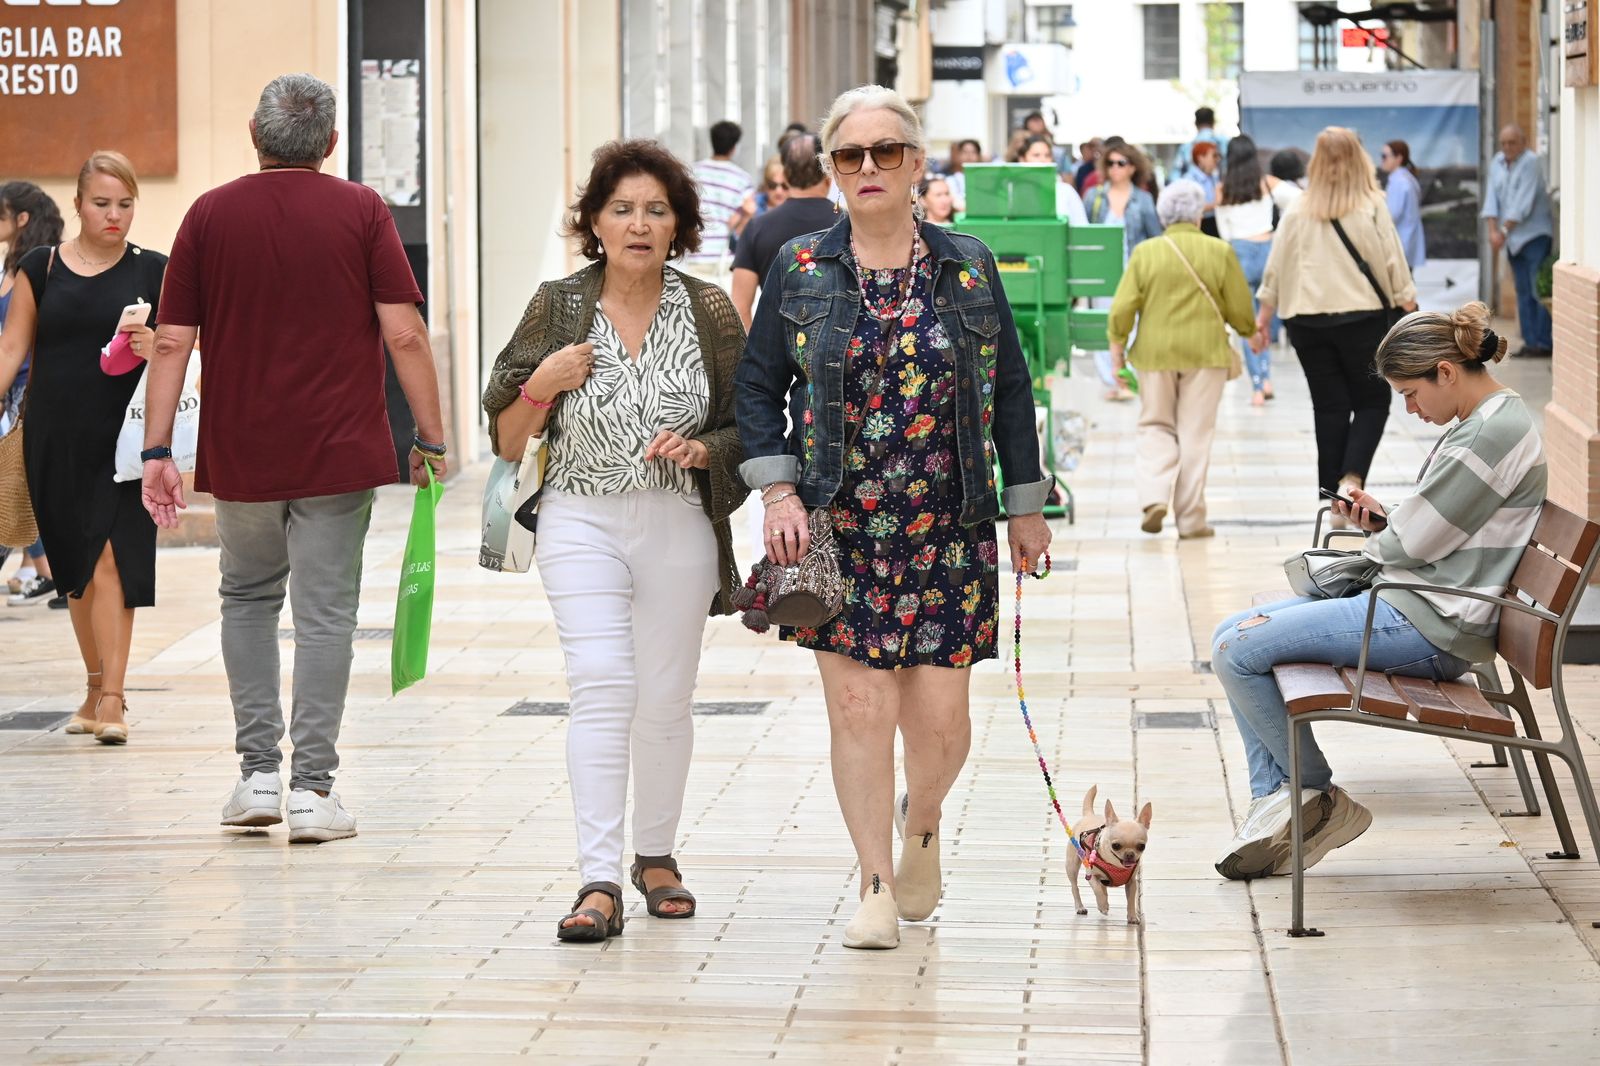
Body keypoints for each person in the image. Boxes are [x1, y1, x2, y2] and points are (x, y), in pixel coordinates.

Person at [736, 84, 1052, 951]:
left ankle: (924, 820)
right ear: (830, 169)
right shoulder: (799, 268)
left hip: (950, 527)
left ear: (918, 163)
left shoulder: (967, 263)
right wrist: (779, 490)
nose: (867, 169)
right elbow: (759, 389)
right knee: (861, 715)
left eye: (885, 152)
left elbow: (1013, 392)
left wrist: (1026, 508)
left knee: (942, 724)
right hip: (842, 528)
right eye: (850, 156)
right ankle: (874, 882)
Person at [142, 73, 449, 840]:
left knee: (246, 599)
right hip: (340, 448)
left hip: (242, 449)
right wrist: (432, 438)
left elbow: (173, 339)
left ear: (255, 131)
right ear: (332, 143)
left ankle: (256, 779)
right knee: (325, 613)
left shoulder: (209, 215)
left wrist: (156, 449)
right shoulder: (361, 210)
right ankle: (313, 791)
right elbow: (404, 332)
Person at [483, 139, 748, 943]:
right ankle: (598, 878)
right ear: (595, 222)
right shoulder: (559, 306)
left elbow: (748, 426)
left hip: (676, 521)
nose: (639, 224)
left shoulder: (709, 311)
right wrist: (543, 384)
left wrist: (706, 452)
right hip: (579, 516)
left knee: (665, 697)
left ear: (679, 225)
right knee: (602, 682)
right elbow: (503, 437)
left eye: (656, 210)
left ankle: (656, 857)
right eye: (622, 209)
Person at [1212, 302, 1544, 880]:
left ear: (1446, 371)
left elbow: (1416, 540)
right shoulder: (1484, 421)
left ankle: (1312, 797)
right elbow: (1429, 529)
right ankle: (1285, 804)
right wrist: (1385, 522)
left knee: (1238, 648)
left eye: (1411, 393)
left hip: (1431, 624)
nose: (1410, 409)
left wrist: (1381, 541)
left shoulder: (1492, 431)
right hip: (1420, 604)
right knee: (1230, 637)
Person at [0, 151, 165, 745]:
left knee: (111, 558)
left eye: (124, 204)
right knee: (74, 569)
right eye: (101, 204)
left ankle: (115, 699)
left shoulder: (153, 271)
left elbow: (187, 354)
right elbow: (12, 349)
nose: (114, 215)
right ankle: (94, 687)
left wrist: (155, 346)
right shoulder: (40, 267)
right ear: (76, 204)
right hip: (55, 437)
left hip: (126, 441)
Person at [1250, 127, 1416, 513]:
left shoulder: (1298, 208)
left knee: (1328, 407)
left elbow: (1275, 269)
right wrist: (1408, 302)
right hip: (1362, 319)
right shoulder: (1371, 204)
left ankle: (1331, 500)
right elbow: (1393, 261)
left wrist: (1263, 319)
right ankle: (1352, 479)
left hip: (1306, 323)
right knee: (1373, 400)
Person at [1109, 181, 1254, 540]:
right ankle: (1190, 521)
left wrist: (1116, 349)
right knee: (1195, 435)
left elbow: (1123, 307)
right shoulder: (1219, 251)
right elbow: (1240, 312)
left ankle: (1154, 498)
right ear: (1197, 213)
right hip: (1206, 355)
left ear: (1162, 215)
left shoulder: (1146, 252)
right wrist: (1251, 330)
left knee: (1155, 425)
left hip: (1154, 354)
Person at [0, 181, 64, 609]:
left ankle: (50, 571)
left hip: (29, 391)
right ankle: (48, 572)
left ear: (22, 219)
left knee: (14, 485)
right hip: (10, 390)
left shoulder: (40, 269)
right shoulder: (9, 266)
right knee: (19, 486)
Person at [731, 133, 837, 328]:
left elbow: (740, 308)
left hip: (777, 349)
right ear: (828, 173)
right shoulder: (850, 224)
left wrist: (755, 353)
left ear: (786, 175)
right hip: (841, 352)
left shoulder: (757, 228)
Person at [1085, 142, 1163, 401]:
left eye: (1121, 163)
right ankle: (1111, 380)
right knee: (1104, 323)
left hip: (1134, 271)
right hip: (1101, 273)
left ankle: (1127, 378)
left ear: (1133, 167)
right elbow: (1084, 235)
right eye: (1110, 163)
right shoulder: (1094, 197)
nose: (1115, 168)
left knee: (1132, 325)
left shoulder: (1143, 199)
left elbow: (1155, 237)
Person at [1214, 135, 1276, 405]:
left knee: (1247, 322)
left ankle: (1257, 387)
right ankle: (1267, 376)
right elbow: (1298, 201)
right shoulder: (1267, 183)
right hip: (1268, 250)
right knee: (1266, 319)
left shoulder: (1222, 189)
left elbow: (1224, 232)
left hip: (1240, 253)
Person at [1482, 124, 1552, 357]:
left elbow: (1523, 205)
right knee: (1522, 290)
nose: (1507, 147)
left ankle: (1544, 343)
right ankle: (1531, 343)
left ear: (1523, 142)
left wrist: (1500, 232)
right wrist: (1493, 230)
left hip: (1534, 236)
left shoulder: (1531, 162)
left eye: (1512, 142)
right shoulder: (1497, 162)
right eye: (1503, 143)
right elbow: (1491, 199)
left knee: (1536, 290)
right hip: (1511, 238)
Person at [685, 119, 756, 272]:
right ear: (734, 147)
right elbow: (750, 210)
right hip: (723, 255)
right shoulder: (741, 178)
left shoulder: (692, 172)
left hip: (693, 252)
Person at [1019, 135, 1087, 225]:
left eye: (1047, 155)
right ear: (1022, 159)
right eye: (1036, 155)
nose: (1043, 160)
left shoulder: (1066, 190)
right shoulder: (1012, 191)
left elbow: (1081, 227)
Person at [1381, 140, 1426, 271]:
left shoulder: (1399, 182)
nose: (1382, 160)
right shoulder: (1407, 179)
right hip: (1406, 246)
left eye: (1385, 156)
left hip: (1398, 249)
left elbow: (1390, 216)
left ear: (1398, 158)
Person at [1172, 106, 1226, 184]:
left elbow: (1175, 176)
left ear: (1196, 124)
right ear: (1213, 122)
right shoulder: (1224, 143)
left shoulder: (1186, 147)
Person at [1190, 141, 1222, 237]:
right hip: (1200, 224)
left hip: (1216, 222)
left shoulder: (1214, 177)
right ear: (1201, 158)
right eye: (1214, 156)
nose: (1217, 159)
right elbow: (1190, 207)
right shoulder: (1190, 180)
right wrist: (1215, 204)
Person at [744, 155, 789, 220]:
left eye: (784, 186)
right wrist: (747, 217)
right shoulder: (754, 204)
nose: (778, 191)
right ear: (766, 185)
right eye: (772, 185)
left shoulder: (798, 210)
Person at [945, 138, 982, 213]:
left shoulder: (985, 180)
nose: (969, 156)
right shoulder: (950, 180)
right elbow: (956, 205)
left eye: (973, 152)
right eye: (965, 152)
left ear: (979, 156)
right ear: (958, 155)